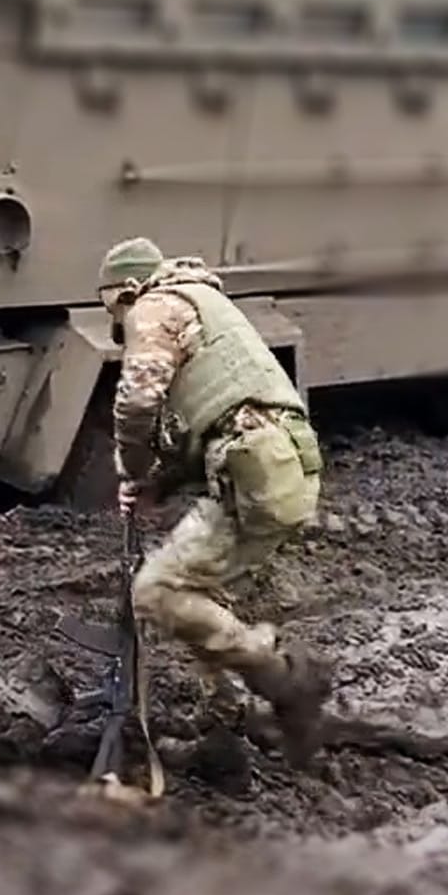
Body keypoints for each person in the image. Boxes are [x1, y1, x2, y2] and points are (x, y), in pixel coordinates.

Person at [97, 237, 332, 762]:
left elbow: (137, 399)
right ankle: (224, 730)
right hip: (274, 468)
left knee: (156, 593)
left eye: (116, 312)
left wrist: (130, 467)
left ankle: (283, 679)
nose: (122, 329)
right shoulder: (204, 309)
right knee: (199, 596)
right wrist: (155, 484)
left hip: (255, 471)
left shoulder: (154, 304)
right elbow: (204, 422)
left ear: (127, 291)